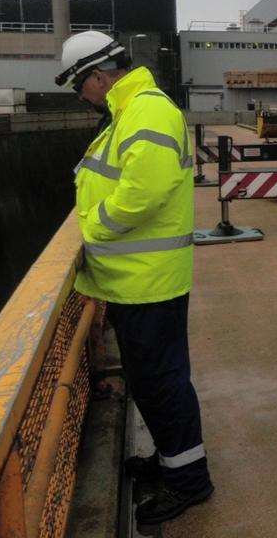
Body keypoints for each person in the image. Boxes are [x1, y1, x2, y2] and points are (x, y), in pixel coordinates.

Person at [56, 31, 213, 525]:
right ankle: (172, 462)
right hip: (135, 282)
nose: (81, 98)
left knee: (163, 384)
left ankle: (189, 482)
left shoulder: (146, 111)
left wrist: (93, 226)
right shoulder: (131, 112)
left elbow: (141, 194)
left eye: (79, 87)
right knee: (151, 383)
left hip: (148, 283)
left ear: (99, 77)